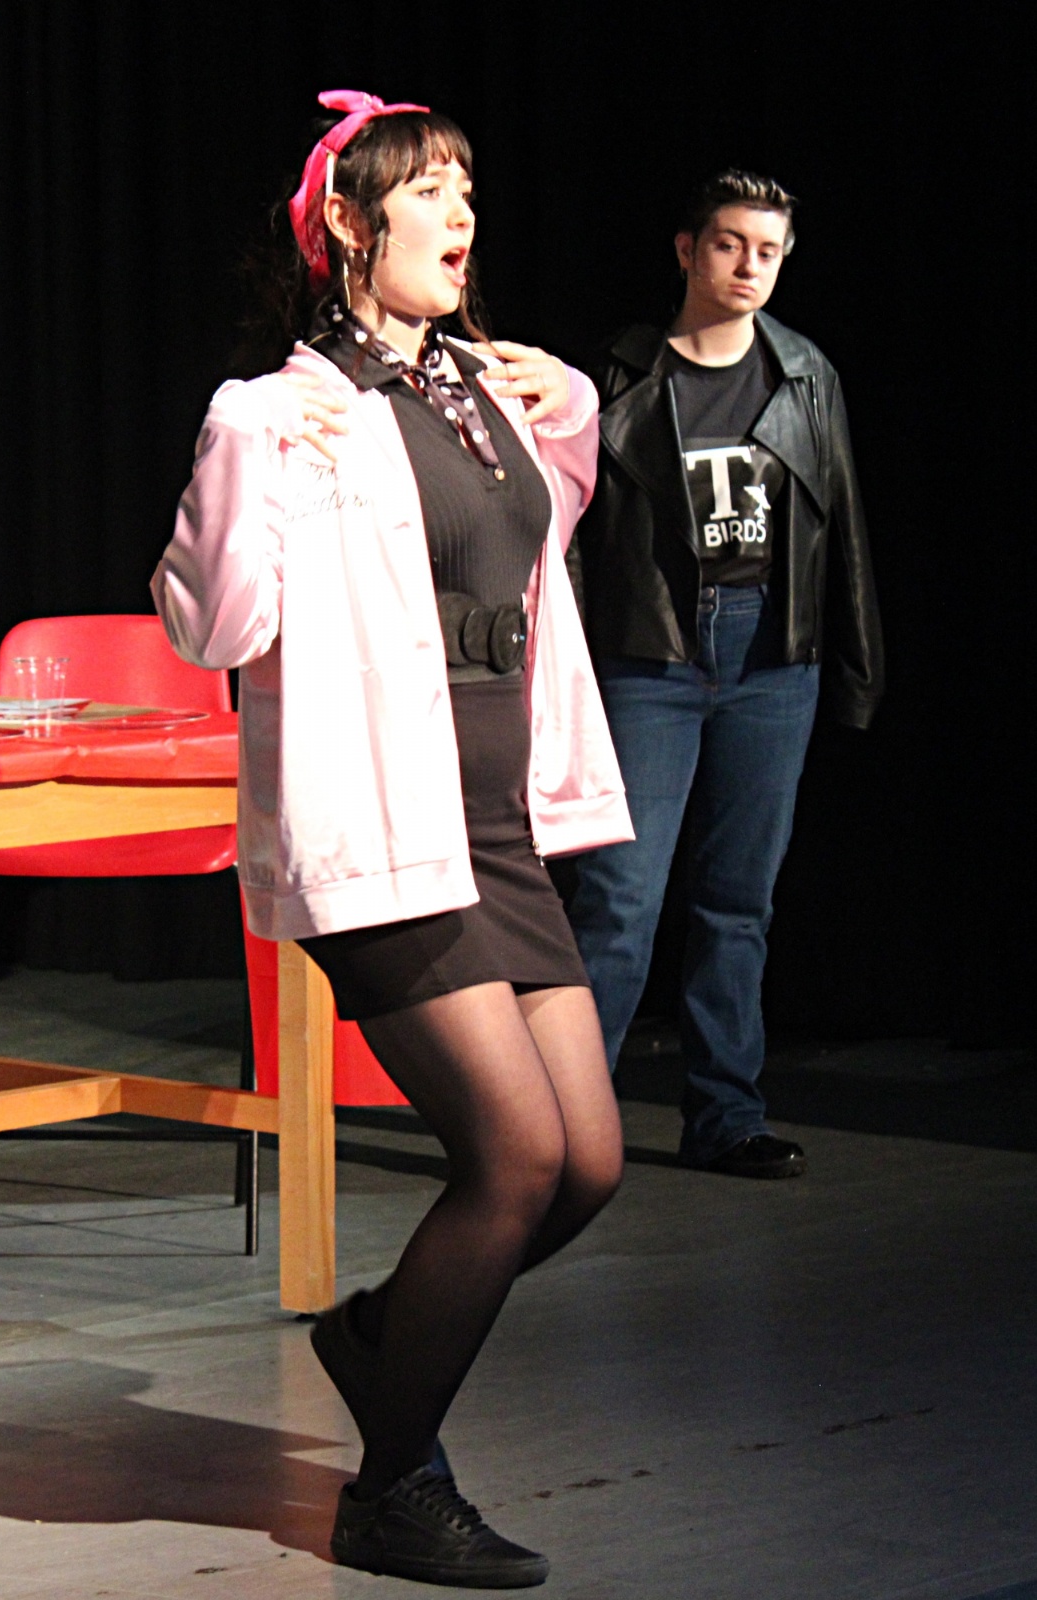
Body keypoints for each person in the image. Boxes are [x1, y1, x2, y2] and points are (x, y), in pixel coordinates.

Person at [152, 90, 632, 1589]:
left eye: (468, 187)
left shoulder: (482, 386)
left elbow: (530, 548)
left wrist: (572, 419)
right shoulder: (290, 409)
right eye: (430, 190)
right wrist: (236, 442)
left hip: (496, 818)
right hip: (378, 819)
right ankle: (393, 1483)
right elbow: (212, 625)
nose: (462, 213)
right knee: (513, 1154)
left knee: (588, 1163)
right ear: (351, 227)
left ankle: (379, 1338)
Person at [567, 169, 884, 1180]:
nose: (749, 266)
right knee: (619, 898)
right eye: (728, 244)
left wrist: (853, 664)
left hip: (768, 656)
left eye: (768, 250)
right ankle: (564, 1124)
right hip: (648, 654)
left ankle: (725, 1117)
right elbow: (572, 534)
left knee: (737, 899)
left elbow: (840, 525)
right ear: (685, 250)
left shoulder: (803, 374)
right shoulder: (618, 371)